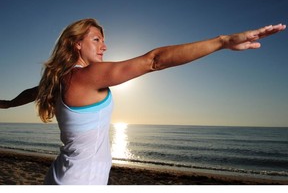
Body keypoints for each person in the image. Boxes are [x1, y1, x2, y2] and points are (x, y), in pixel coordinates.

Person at [0, 18, 285, 185]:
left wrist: (8, 104)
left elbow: (33, 91)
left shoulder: (59, 78)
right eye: (96, 40)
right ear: (76, 44)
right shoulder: (87, 76)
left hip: (61, 176)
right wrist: (222, 41)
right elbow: (154, 60)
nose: (104, 46)